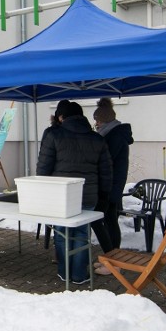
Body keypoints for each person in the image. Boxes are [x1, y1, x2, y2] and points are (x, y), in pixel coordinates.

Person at [37, 102, 112, 285]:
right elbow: (106, 172)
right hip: (88, 195)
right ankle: (79, 275)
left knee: (62, 234)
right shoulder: (97, 139)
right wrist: (104, 195)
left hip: (61, 196)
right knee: (81, 234)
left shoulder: (54, 135)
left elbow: (43, 169)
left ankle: (65, 273)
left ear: (62, 117)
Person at [92, 97, 134, 273]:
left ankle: (113, 260)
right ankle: (112, 258)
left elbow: (106, 162)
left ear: (104, 120)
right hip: (112, 185)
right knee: (109, 220)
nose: (96, 124)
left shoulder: (114, 136)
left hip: (110, 186)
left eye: (97, 121)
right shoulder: (114, 134)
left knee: (102, 220)